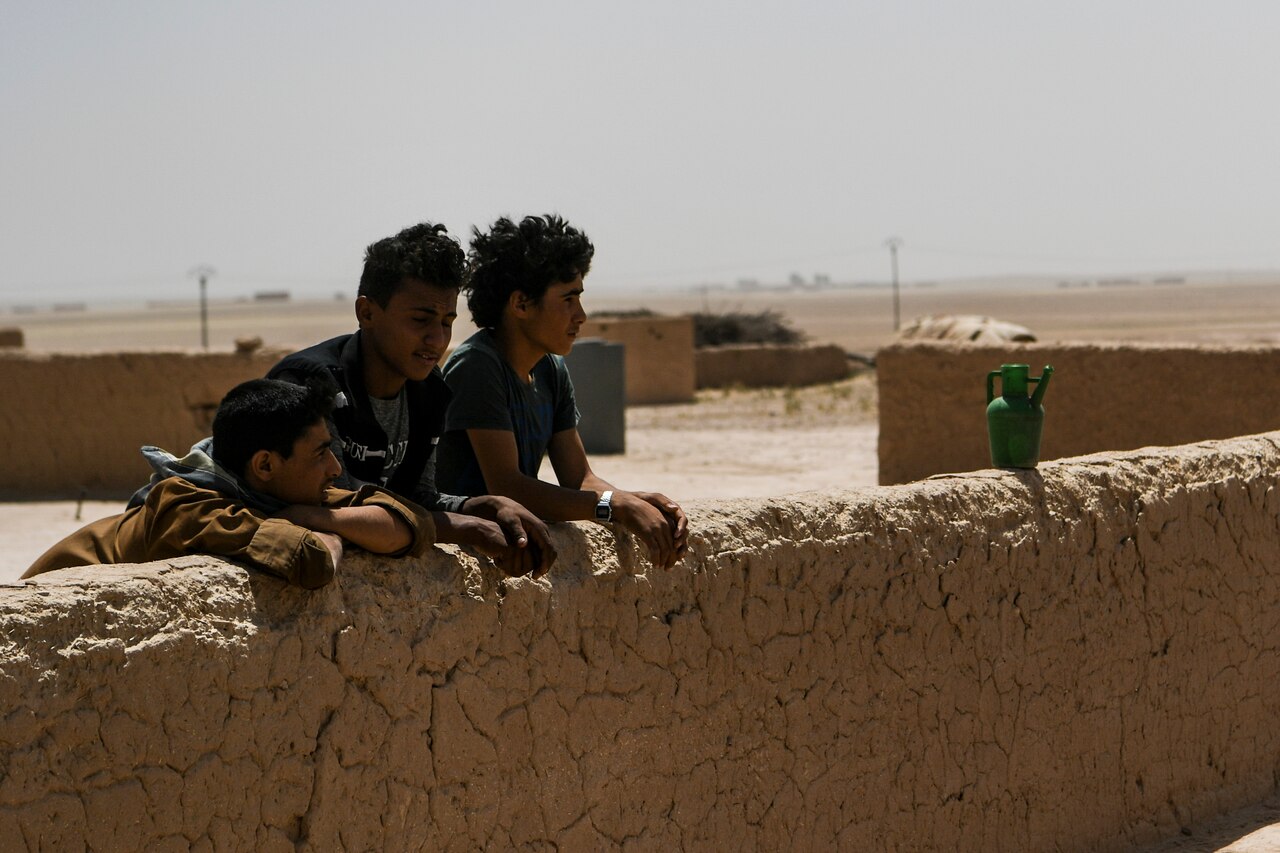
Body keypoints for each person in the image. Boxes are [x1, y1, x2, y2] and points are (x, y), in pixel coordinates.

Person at [267, 221, 555, 577]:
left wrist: (486, 505)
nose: (436, 339)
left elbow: (419, 497)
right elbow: (337, 510)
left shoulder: (429, 391)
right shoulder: (310, 387)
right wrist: (466, 526)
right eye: (421, 320)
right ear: (367, 312)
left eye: (447, 322)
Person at [436, 214, 688, 570]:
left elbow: (579, 477)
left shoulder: (549, 368)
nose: (581, 315)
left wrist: (630, 500)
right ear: (521, 304)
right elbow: (509, 487)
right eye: (568, 299)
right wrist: (613, 506)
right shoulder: (477, 367)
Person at [23, 379, 438, 588]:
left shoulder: (286, 490)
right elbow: (311, 561)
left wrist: (314, 515)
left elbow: (413, 524)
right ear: (264, 464)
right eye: (319, 453)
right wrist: (331, 527)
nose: (334, 468)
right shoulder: (187, 504)